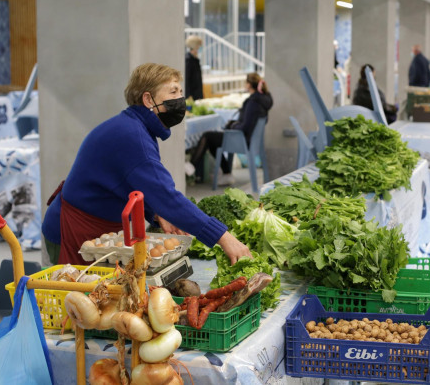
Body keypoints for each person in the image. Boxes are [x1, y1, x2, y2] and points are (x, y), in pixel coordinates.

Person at [41, 63, 251, 266]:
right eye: (173, 92)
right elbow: (168, 196)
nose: (180, 99)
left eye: (180, 91)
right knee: (74, 298)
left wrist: (156, 213)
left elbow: (133, 183)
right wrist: (224, 238)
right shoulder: (133, 136)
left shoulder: (134, 127)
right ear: (148, 99)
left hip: (93, 227)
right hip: (74, 230)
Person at [191, 73, 272, 186]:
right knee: (213, 138)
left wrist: (233, 126)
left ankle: (192, 166)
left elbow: (245, 127)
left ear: (249, 85)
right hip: (249, 139)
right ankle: (226, 173)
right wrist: (235, 123)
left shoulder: (253, 103)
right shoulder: (262, 102)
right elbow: (249, 123)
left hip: (240, 140)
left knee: (208, 137)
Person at [185, 35, 204, 101]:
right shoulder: (188, 60)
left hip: (197, 94)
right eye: (199, 46)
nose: (200, 48)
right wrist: (188, 95)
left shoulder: (195, 59)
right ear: (195, 46)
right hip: (192, 96)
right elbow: (187, 79)